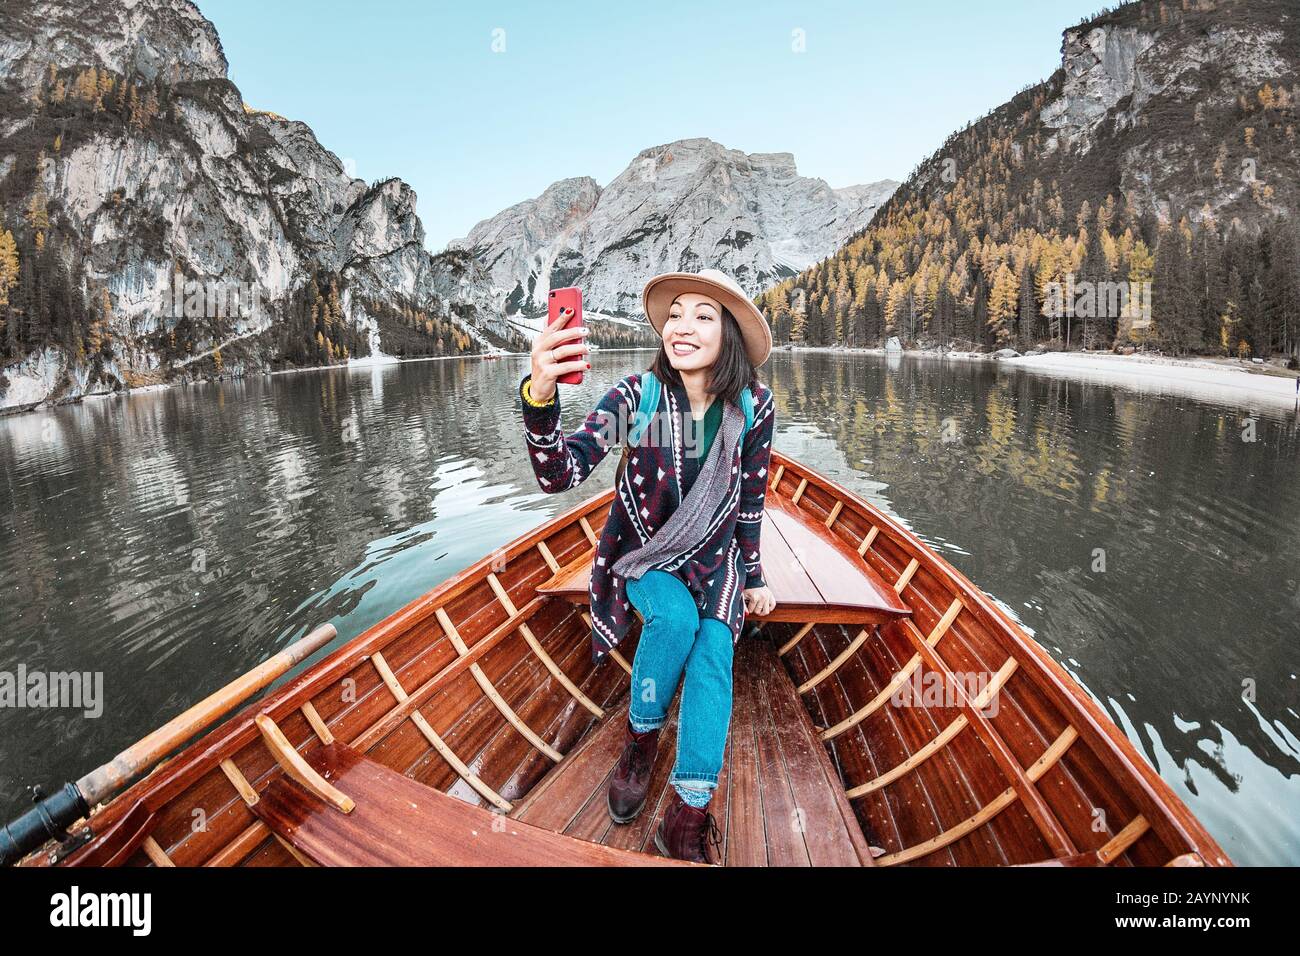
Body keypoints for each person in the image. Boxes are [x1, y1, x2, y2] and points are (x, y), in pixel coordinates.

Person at [517, 269, 776, 864]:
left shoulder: (753, 407)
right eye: (675, 313)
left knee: (714, 645)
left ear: (729, 334)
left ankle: (687, 814)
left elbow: (753, 500)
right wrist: (540, 390)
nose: (682, 325)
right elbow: (558, 473)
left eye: (703, 315)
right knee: (677, 621)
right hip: (646, 556)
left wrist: (754, 577)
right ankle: (641, 738)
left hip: (717, 560)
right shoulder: (637, 399)